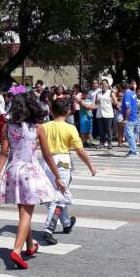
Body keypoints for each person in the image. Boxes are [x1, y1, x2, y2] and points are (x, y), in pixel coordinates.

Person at [0, 92, 63, 268]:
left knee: (23, 212)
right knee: (26, 214)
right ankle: (16, 251)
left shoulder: (7, 127)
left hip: (13, 171)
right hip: (30, 172)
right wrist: (58, 177)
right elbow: (46, 155)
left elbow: (3, 153)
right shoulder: (38, 128)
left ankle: (30, 245)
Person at [38, 98, 97, 245]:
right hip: (63, 162)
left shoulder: (43, 127)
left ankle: (66, 223)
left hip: (46, 162)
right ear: (69, 111)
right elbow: (80, 150)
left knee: (57, 195)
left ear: (51, 111)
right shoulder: (70, 128)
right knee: (58, 198)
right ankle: (48, 229)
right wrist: (90, 165)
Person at [120, 80, 140, 157]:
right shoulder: (132, 93)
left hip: (130, 118)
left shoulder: (127, 95)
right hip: (135, 116)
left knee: (129, 135)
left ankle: (133, 152)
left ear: (122, 88)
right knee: (132, 134)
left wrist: (125, 119)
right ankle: (135, 149)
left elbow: (128, 108)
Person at [94, 79, 116, 149]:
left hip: (108, 113)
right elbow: (95, 103)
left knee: (108, 129)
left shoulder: (110, 92)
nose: (103, 85)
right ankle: (101, 142)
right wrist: (98, 101)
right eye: (102, 84)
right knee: (101, 129)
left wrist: (109, 103)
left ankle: (109, 143)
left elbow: (115, 101)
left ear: (107, 85)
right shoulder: (98, 92)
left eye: (105, 84)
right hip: (100, 113)